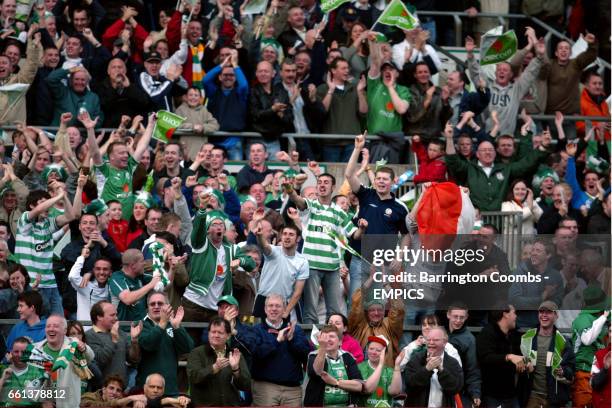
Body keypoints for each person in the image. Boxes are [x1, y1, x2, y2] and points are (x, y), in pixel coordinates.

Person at [286, 172, 360, 324]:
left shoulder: (339, 212)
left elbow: (355, 234)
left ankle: (333, 342)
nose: (322, 184)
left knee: (334, 312)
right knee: (310, 311)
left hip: (332, 267)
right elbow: (298, 201)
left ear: (333, 187)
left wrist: (363, 228)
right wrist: (290, 191)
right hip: (311, 265)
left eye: (326, 182)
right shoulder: (311, 205)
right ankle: (309, 344)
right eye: (319, 182)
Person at [445, 121, 552, 211]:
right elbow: (453, 161)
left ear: (495, 153)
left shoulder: (505, 168)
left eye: (490, 150)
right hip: (475, 219)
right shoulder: (469, 168)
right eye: (484, 150)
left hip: (500, 221)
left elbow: (526, 164)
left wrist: (542, 146)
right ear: (477, 154)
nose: (488, 152)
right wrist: (449, 139)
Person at [182, 196, 255, 326]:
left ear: (225, 230)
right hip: (193, 305)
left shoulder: (231, 249)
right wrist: (202, 209)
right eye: (214, 225)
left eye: (221, 224)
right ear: (208, 229)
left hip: (216, 309)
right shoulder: (201, 244)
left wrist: (240, 261)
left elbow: (251, 263)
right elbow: (197, 230)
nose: (219, 227)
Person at [14, 189, 75, 316]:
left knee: (59, 323)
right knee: (37, 324)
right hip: (32, 285)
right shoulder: (24, 220)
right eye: (43, 202)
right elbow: (37, 210)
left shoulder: (48, 223)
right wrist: (57, 197)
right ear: (32, 205)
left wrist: (64, 197)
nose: (48, 205)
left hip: (51, 284)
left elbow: (71, 216)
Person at [250, 294, 311, 406]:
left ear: (284, 309)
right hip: (265, 388)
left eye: (278, 306)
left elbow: (306, 355)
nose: (274, 309)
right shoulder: (256, 330)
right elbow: (257, 354)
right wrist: (277, 341)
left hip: (292, 390)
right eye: (270, 306)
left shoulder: (295, 330)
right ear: (265, 309)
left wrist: (292, 339)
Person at [518, 301, 575, 408]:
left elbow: (571, 370)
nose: (544, 315)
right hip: (531, 398)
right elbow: (519, 363)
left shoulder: (563, 342)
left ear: (556, 316)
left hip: (553, 399)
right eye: (541, 311)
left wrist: (563, 371)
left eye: (548, 312)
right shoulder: (527, 338)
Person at [136, 291, 194, 396]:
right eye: (152, 304)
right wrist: (162, 323)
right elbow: (148, 345)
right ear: (147, 307)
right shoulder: (140, 325)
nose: (156, 306)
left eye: (160, 303)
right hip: (147, 391)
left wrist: (177, 327)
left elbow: (188, 348)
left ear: (167, 306)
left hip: (170, 389)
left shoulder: (173, 324)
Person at [187, 317, 251, 406]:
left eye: (220, 332)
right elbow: (193, 377)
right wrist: (213, 368)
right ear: (208, 333)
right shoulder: (196, 353)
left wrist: (236, 370)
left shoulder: (235, 354)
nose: (216, 335)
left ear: (228, 335)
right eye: (213, 332)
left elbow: (246, 385)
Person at [35, 315, 95, 408]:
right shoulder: (37, 350)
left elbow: (90, 356)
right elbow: (30, 383)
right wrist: (43, 401)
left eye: (55, 326)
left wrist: (84, 348)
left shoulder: (73, 346)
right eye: (48, 326)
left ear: (64, 331)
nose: (51, 329)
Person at [316, 57, 368, 162]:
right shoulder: (322, 89)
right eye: (343, 68)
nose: (347, 71)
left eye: (347, 68)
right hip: (331, 143)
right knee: (331, 177)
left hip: (352, 143)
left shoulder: (355, 88)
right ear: (333, 70)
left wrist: (360, 92)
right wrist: (331, 90)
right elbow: (322, 111)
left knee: (349, 177)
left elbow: (364, 111)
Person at [254, 222, 308, 321]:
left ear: (298, 239)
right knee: (259, 334)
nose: (287, 237)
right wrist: (260, 236)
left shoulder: (302, 261)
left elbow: (297, 292)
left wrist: (286, 311)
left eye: (291, 234)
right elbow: (265, 246)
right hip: (263, 299)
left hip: (283, 303)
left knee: (282, 336)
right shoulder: (274, 251)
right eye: (285, 234)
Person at [304, 324, 364, 407]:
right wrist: (322, 348)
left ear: (340, 341)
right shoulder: (313, 355)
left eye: (331, 336)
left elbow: (359, 386)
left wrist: (336, 382)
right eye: (324, 337)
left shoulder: (347, 356)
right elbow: (317, 372)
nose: (327, 340)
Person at [509, 239, 564, 328]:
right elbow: (515, 300)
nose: (533, 253)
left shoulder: (555, 276)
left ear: (548, 255)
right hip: (522, 327)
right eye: (533, 250)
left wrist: (545, 306)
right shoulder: (519, 272)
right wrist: (542, 297)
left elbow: (558, 301)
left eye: (538, 251)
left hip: (546, 327)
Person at [403, 327, 464, 408]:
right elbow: (409, 385)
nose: (431, 343)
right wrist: (427, 369)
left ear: (445, 342)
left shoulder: (452, 363)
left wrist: (442, 371)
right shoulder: (416, 359)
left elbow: (456, 388)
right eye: (428, 340)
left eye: (435, 340)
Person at [84, 300, 142, 385]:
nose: (116, 318)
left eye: (116, 314)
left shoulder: (121, 333)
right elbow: (101, 360)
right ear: (99, 317)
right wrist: (113, 340)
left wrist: (134, 341)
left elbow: (133, 359)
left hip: (121, 389)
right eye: (112, 315)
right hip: (100, 391)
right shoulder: (89, 336)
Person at [477, 305, 524, 408]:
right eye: (514, 313)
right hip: (492, 397)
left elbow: (518, 357)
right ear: (505, 314)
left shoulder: (513, 335)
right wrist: (508, 357)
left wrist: (525, 363)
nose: (516, 316)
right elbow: (485, 358)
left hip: (512, 395)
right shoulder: (487, 333)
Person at [571, 287, 610, 408]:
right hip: (583, 371)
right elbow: (587, 339)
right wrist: (603, 317)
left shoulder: (602, 318)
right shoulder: (582, 319)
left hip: (601, 372)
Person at [249, 60, 294, 155]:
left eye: (266, 71)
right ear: (256, 74)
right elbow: (254, 115)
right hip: (255, 139)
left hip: (274, 140)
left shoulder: (282, 92)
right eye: (260, 71)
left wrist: (281, 115)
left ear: (273, 73)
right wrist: (273, 110)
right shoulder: (252, 92)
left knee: (276, 169)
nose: (263, 74)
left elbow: (290, 118)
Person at [108, 249, 159, 322]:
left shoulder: (141, 276)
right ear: (133, 265)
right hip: (123, 329)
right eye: (142, 261)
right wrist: (151, 284)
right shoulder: (117, 277)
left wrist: (172, 269)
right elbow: (127, 299)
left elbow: (163, 285)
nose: (144, 263)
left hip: (141, 327)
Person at [0, 337, 51, 406]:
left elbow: (46, 401)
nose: (20, 355)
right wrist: (3, 379)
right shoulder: (2, 369)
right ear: (11, 352)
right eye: (16, 351)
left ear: (30, 353)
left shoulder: (37, 372)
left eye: (24, 352)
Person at [358, 335, 403, 407]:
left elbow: (395, 392)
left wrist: (397, 367)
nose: (373, 352)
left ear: (385, 353)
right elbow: (367, 389)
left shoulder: (389, 371)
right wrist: (380, 364)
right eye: (371, 348)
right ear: (367, 349)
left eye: (378, 350)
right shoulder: (360, 367)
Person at [81, 374, 148, 407]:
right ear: (104, 389)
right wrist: (118, 402)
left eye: (118, 390)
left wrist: (137, 403)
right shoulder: (89, 396)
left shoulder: (122, 403)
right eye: (111, 388)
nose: (114, 392)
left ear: (121, 394)